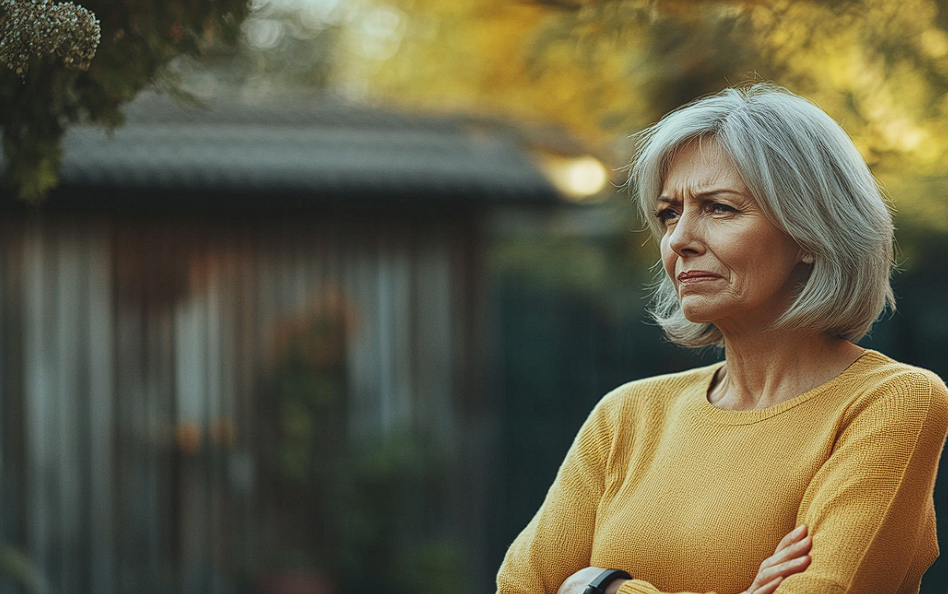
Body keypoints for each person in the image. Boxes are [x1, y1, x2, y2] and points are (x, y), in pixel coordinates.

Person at [495, 84, 948, 594]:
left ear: (810, 232)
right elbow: (518, 587)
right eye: (669, 213)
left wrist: (601, 588)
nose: (679, 239)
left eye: (718, 208)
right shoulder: (626, 415)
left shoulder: (889, 401)